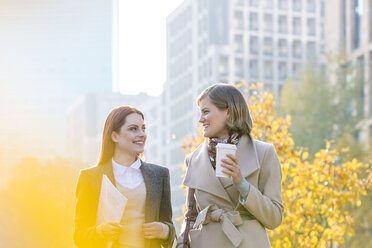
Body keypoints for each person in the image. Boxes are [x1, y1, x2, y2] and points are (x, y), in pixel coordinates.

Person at [177, 83, 284, 248]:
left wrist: (242, 185)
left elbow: (274, 218)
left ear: (228, 111)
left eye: (206, 112)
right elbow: (191, 216)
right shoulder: (193, 159)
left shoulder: (264, 153)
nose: (200, 119)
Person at [74, 105, 175, 248]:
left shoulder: (160, 175)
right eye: (133, 129)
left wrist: (164, 230)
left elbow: (170, 228)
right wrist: (100, 232)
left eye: (143, 128)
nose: (142, 134)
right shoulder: (90, 178)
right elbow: (79, 236)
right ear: (114, 136)